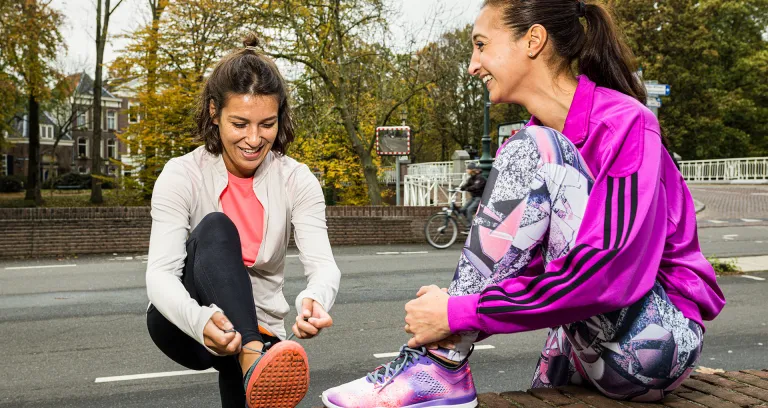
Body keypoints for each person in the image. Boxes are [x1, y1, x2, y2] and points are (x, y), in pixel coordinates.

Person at [321, 1, 725, 407]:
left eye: (481, 45)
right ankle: (441, 359)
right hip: (581, 340)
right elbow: (523, 270)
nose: (472, 65)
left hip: (659, 342)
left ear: (533, 40)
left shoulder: (625, 124)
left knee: (532, 149)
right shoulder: (543, 149)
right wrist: (454, 310)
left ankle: (440, 363)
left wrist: (459, 315)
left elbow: (611, 272)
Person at [145, 34, 341, 408]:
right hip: (183, 319)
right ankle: (253, 356)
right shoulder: (180, 174)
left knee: (251, 386)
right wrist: (200, 320)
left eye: (267, 124)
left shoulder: (297, 179)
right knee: (217, 226)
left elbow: (324, 266)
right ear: (214, 112)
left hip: (260, 325)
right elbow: (159, 275)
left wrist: (315, 298)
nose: (254, 139)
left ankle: (252, 357)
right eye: (240, 123)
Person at [459, 162, 487, 227]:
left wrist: (467, 188)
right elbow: (466, 185)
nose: (466, 170)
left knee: (469, 210)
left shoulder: (480, 178)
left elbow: (476, 187)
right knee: (463, 209)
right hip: (473, 198)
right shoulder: (471, 178)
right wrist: (461, 188)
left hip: (480, 198)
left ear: (472, 170)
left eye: (468, 169)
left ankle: (471, 227)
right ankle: (470, 221)